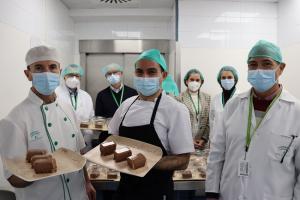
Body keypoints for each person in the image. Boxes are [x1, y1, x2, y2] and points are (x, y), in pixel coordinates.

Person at [205, 40, 300, 200]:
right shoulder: (233, 106)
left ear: (281, 68)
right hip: (231, 193)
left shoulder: (296, 111)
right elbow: (217, 154)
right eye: (253, 64)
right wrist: (212, 193)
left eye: (266, 64)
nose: (258, 70)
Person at [0, 45, 96, 200]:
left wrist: (87, 182)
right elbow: (13, 179)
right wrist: (33, 169)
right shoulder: (14, 121)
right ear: (28, 74)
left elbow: (78, 152)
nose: (47, 73)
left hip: (78, 194)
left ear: (59, 71)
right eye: (38, 68)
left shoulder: (67, 108)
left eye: (52, 67)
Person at [108, 49, 194, 200]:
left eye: (152, 72)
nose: (145, 77)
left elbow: (183, 160)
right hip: (125, 190)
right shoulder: (126, 105)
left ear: (164, 75)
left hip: (156, 192)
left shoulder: (176, 110)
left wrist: (144, 162)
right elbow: (112, 139)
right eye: (139, 72)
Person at [56, 64, 94, 148]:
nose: (74, 78)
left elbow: (91, 119)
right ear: (64, 76)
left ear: (80, 77)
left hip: (84, 140)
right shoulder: (55, 94)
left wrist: (87, 138)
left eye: (76, 76)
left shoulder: (86, 96)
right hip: (62, 141)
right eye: (70, 75)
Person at [176, 69, 211, 150]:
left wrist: (204, 139)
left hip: (202, 143)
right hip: (184, 142)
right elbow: (177, 123)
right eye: (192, 79)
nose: (194, 82)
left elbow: (209, 121)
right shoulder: (179, 98)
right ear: (186, 81)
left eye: (197, 80)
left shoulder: (207, 97)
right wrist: (189, 140)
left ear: (201, 82)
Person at [209, 66, 239, 140]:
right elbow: (212, 122)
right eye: (223, 78)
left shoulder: (241, 98)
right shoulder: (215, 99)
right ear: (220, 80)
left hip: (235, 140)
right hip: (217, 140)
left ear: (235, 79)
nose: (226, 80)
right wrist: (211, 139)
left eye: (229, 77)